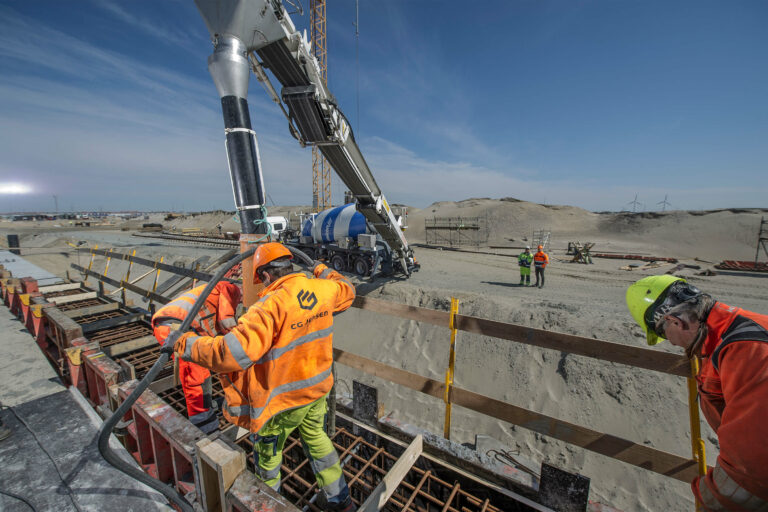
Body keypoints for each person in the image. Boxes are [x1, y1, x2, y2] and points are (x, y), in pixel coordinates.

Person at [170, 242, 357, 512]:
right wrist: (321, 269)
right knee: (317, 440)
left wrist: (184, 343)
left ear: (266, 275)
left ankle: (270, 506)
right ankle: (342, 501)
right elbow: (348, 290)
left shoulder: (269, 307)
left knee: (268, 460)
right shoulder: (323, 289)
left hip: (278, 403)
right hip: (317, 393)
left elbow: (230, 353)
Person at [626, 275, 768, 510]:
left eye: (662, 334)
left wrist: (708, 498)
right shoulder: (727, 334)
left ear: (674, 322)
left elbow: (752, 473)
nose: (670, 342)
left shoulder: (745, 350)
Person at [152, 281, 242, 433]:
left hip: (169, 326)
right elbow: (227, 322)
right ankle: (206, 427)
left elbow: (216, 326)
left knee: (199, 373)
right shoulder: (230, 289)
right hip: (177, 329)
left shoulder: (211, 290)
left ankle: (207, 407)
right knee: (196, 379)